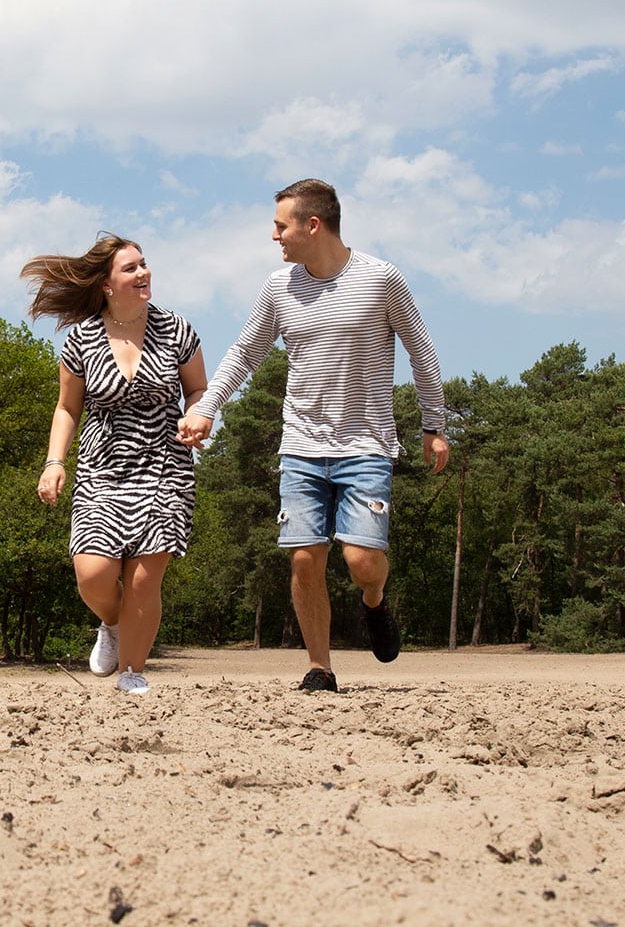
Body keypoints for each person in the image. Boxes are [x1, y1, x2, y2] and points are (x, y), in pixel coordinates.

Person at [177, 179, 449, 693]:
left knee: (362, 562)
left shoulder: (381, 280)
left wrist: (434, 426)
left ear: (312, 225)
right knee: (304, 558)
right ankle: (320, 667)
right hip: (301, 445)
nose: (274, 236)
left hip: (366, 444)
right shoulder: (278, 288)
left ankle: (374, 601)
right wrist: (208, 409)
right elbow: (245, 353)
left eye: (281, 226)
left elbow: (422, 353)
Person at [23, 233, 208, 694]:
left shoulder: (177, 330)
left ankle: (132, 675)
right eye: (131, 268)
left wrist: (197, 418)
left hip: (165, 465)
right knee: (93, 575)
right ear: (106, 284)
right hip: (102, 470)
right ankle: (112, 622)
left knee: (145, 580)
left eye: (144, 264)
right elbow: (67, 409)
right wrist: (53, 462)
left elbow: (198, 390)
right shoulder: (81, 340)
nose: (143, 273)